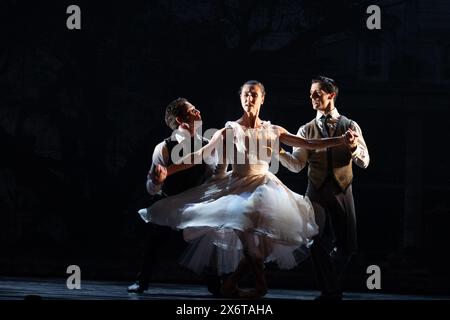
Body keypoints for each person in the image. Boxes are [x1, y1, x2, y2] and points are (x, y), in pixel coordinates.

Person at [138, 80, 357, 298]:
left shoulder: (273, 129)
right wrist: (169, 170)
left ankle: (237, 284)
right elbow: (199, 155)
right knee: (247, 235)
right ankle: (257, 285)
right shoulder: (229, 129)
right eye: (245, 95)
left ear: (262, 98)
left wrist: (341, 140)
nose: (249, 99)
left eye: (253, 95)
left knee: (260, 244)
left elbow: (308, 144)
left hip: (265, 186)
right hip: (239, 187)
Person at [278, 76, 370, 300]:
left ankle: (330, 284)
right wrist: (279, 153)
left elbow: (365, 161)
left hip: (342, 189)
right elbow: (298, 165)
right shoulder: (305, 129)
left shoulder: (351, 125)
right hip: (316, 190)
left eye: (317, 93)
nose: (311, 97)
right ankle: (331, 290)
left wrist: (353, 147)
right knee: (314, 237)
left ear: (332, 94)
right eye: (310, 93)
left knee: (348, 247)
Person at [127, 97, 222, 295]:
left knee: (209, 237)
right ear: (181, 120)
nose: (198, 112)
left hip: (196, 203)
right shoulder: (163, 147)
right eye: (193, 110)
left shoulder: (207, 145)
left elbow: (213, 177)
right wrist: (157, 181)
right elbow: (151, 188)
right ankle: (142, 281)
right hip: (170, 201)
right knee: (154, 239)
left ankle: (215, 283)